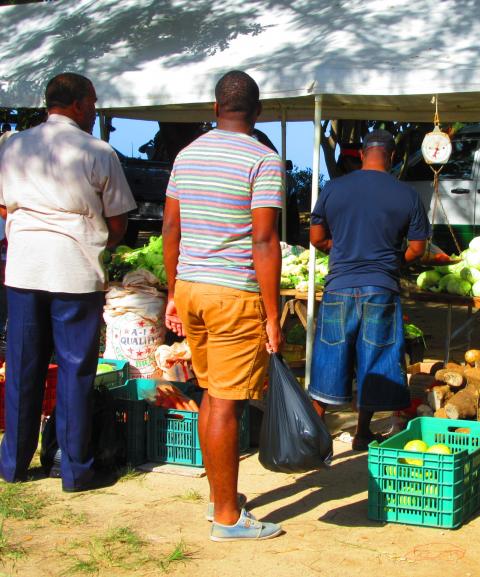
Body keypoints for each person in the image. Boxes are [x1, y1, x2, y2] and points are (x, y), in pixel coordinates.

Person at [162, 70, 284, 542]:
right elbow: (264, 240)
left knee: (213, 395)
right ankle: (228, 518)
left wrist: (172, 292)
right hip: (233, 293)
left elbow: (170, 228)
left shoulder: (187, 155)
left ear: (215, 109)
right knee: (226, 404)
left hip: (191, 288)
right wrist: (272, 316)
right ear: (258, 113)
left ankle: (221, 500)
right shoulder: (263, 159)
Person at [0, 73, 136, 492]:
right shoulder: (98, 151)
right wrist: (94, 238)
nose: (95, 111)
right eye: (92, 102)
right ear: (78, 104)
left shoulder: (13, 145)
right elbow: (118, 222)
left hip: (24, 269)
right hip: (74, 271)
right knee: (76, 371)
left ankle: (13, 466)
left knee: (22, 367)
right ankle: (75, 470)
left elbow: (4, 208)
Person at [308, 129, 430, 451]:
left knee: (329, 357)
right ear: (392, 157)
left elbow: (317, 237)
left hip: (339, 288)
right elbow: (418, 248)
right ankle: (362, 434)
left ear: (362, 154)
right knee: (373, 360)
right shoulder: (407, 195)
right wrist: (393, 261)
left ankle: (313, 436)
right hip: (381, 288)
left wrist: (340, 248)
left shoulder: (334, 188)